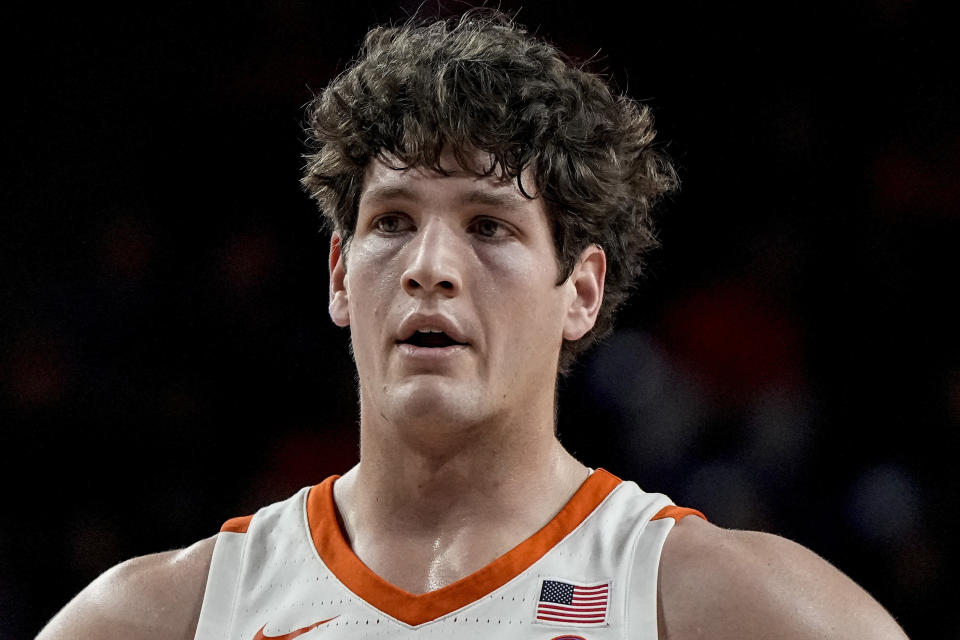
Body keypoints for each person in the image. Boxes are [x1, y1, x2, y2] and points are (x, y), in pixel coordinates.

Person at [36, 9, 909, 640]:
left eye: (488, 225)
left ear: (583, 293)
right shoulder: (165, 615)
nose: (429, 266)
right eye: (391, 222)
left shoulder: (710, 601)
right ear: (340, 276)